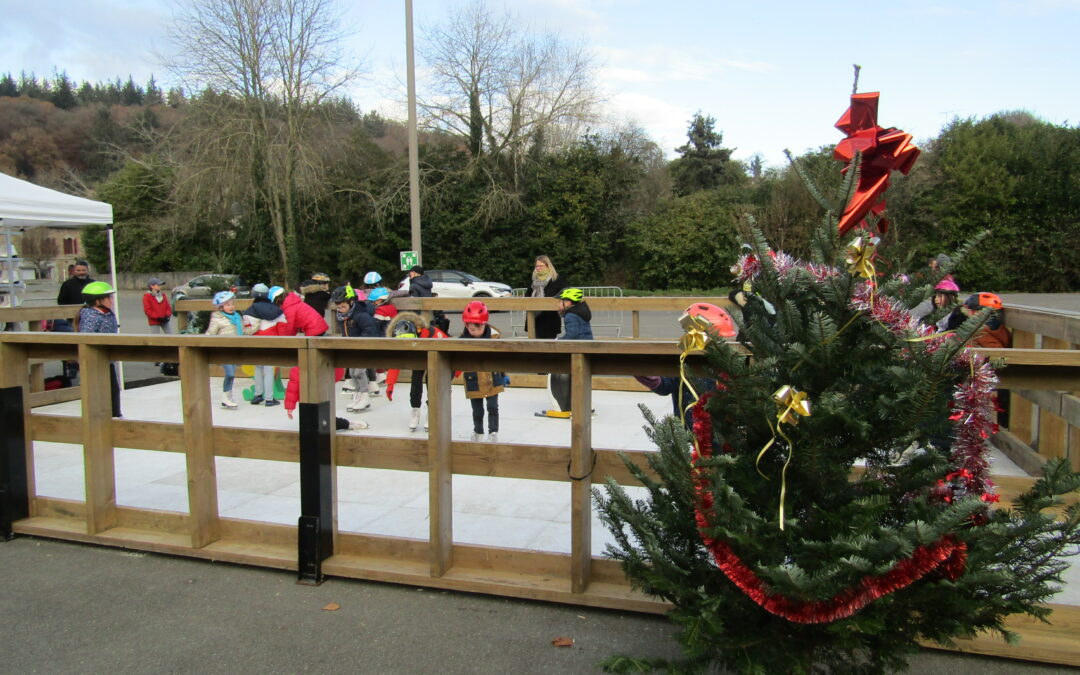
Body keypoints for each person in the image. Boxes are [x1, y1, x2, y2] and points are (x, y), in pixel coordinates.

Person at [634, 303, 737, 429]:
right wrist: (648, 375)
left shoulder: (729, 363)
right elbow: (666, 386)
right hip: (691, 427)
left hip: (722, 429)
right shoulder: (683, 360)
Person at [385, 311, 450, 431]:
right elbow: (396, 360)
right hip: (417, 360)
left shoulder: (431, 333)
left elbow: (449, 349)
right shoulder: (398, 337)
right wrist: (390, 384)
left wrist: (453, 372)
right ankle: (415, 410)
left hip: (434, 360)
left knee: (432, 383)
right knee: (415, 383)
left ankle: (431, 411)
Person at [537, 288, 593, 418]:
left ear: (568, 303)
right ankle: (579, 404)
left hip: (577, 350)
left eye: (560, 302)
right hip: (585, 349)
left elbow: (572, 335)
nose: (558, 305)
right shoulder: (581, 312)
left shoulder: (571, 315)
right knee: (578, 378)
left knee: (555, 373)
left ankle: (561, 408)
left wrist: (559, 341)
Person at [459, 301, 505, 442]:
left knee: (492, 407)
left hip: (493, 377)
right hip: (473, 379)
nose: (475, 333)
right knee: (477, 410)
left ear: (484, 324)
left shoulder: (495, 338)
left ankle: (493, 432)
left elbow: (502, 358)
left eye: (477, 329)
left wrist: (504, 375)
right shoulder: (463, 341)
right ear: (466, 326)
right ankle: (478, 431)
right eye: (471, 330)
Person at [331, 285, 380, 413]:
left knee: (359, 372)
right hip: (351, 349)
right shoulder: (343, 317)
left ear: (351, 302)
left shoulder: (361, 316)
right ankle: (357, 395)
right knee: (352, 373)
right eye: (338, 307)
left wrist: (360, 344)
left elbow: (370, 331)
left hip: (362, 348)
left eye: (343, 307)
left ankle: (365, 395)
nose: (341, 310)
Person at [77, 280, 121, 418]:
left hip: (108, 359)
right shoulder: (91, 316)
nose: (111, 300)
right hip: (96, 361)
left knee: (113, 389)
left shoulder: (106, 312)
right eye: (108, 297)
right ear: (97, 301)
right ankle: (103, 417)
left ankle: (115, 414)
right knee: (100, 391)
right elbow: (86, 337)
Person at [243, 283, 288, 406]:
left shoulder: (248, 311)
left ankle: (258, 395)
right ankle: (269, 398)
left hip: (256, 343)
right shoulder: (277, 310)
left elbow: (247, 329)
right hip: (271, 343)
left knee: (258, 368)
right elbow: (283, 328)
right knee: (269, 370)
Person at [205, 290, 251, 409]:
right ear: (221, 307)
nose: (231, 307)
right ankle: (226, 397)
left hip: (234, 350)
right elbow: (210, 334)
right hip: (224, 350)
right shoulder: (217, 319)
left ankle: (227, 397)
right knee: (230, 374)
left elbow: (245, 332)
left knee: (231, 374)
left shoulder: (237, 317)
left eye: (232, 304)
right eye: (228, 305)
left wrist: (252, 325)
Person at [528, 255, 568, 339]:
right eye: (537, 266)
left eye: (541, 266)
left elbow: (566, 293)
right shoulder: (533, 280)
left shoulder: (556, 279)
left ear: (547, 266)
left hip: (550, 319)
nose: (538, 268)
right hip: (535, 318)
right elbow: (527, 295)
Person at [54, 259, 93, 332]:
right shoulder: (67, 284)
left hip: (91, 318)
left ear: (87, 271)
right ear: (74, 271)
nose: (81, 272)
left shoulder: (93, 283)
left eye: (83, 270)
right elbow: (61, 301)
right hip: (72, 319)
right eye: (78, 270)